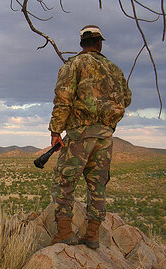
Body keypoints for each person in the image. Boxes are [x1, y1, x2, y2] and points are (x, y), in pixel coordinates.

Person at [49, 25, 131, 249]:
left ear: (81, 44)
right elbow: (127, 99)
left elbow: (63, 99)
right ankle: (92, 235)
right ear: (99, 43)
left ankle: (64, 233)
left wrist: (56, 131)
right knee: (97, 186)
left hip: (80, 135)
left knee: (64, 182)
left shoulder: (73, 65)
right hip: (105, 137)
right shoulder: (115, 69)